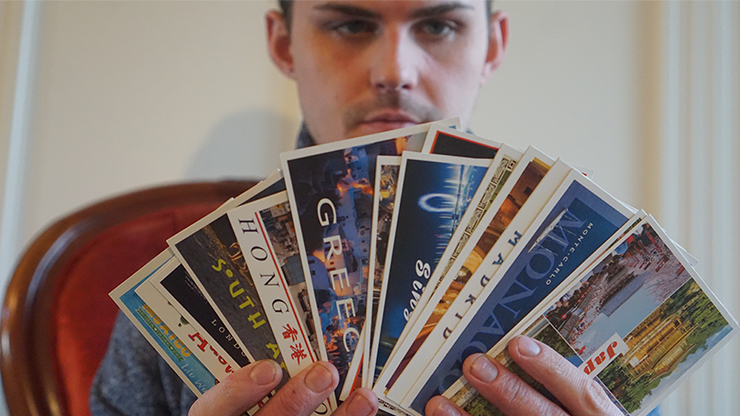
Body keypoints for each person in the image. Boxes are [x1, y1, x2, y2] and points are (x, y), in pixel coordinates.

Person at [90, 1, 653, 415]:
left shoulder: (595, 264)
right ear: (283, 45)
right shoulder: (184, 288)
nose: (394, 72)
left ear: (492, 45)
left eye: (438, 25)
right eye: (351, 25)